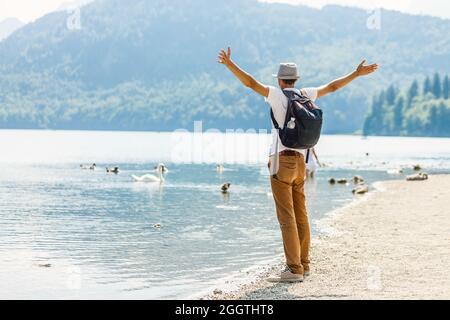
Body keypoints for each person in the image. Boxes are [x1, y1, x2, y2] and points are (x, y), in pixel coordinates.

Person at [218, 47, 378, 283]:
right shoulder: (306, 94)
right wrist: (355, 74)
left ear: (281, 80)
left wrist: (230, 65)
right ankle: (304, 264)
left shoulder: (277, 95)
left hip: (280, 162)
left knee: (286, 217)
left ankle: (293, 270)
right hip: (301, 163)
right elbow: (332, 87)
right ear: (295, 79)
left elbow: (251, 83)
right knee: (301, 214)